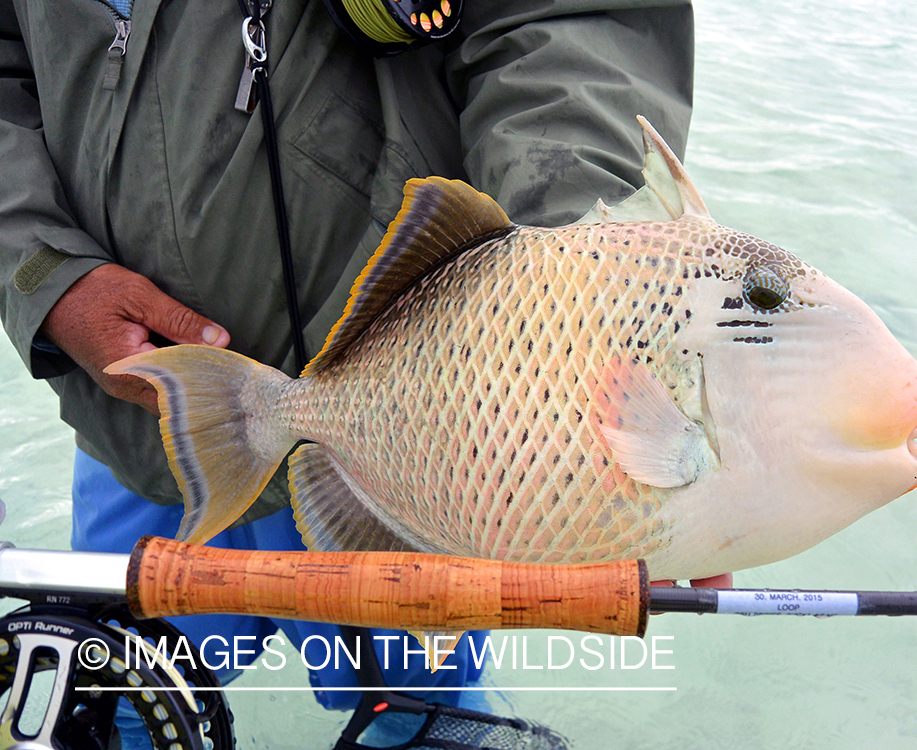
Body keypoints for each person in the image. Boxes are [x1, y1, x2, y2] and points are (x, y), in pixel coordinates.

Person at [0, 0, 698, 743]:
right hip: (139, 432)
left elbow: (568, 23)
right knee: (119, 713)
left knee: (422, 716)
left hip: (422, 452)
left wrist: (572, 303)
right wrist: (44, 273)